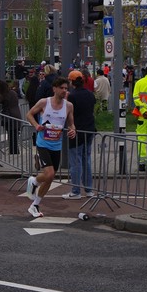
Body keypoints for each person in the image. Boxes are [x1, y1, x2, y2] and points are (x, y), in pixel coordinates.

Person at [25, 77, 76, 218]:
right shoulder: (44, 102)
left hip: (56, 145)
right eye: (62, 88)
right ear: (54, 89)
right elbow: (29, 114)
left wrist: (73, 130)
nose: (64, 91)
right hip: (43, 143)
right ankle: (34, 204)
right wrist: (36, 125)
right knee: (50, 174)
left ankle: (34, 183)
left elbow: (71, 123)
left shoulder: (68, 106)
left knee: (50, 176)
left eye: (66, 88)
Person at [65, 69, 96, 200]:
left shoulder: (72, 96)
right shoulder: (90, 94)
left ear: (72, 82)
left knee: (75, 161)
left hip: (77, 130)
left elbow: (70, 113)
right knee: (86, 159)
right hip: (89, 129)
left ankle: (76, 190)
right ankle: (89, 189)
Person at [0, 78, 22, 155]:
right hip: (17, 115)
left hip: (8, 117)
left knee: (11, 135)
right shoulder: (13, 93)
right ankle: (15, 151)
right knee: (15, 135)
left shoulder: (2, 95)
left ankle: (13, 152)